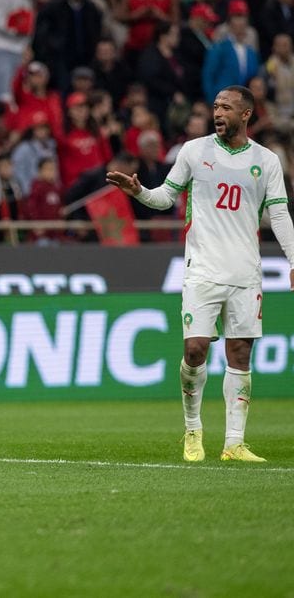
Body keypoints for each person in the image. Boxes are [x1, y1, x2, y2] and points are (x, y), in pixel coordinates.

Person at [107, 85, 294, 463]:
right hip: (202, 269)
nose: (218, 113)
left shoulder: (267, 160)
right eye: (215, 107)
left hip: (245, 271)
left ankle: (234, 443)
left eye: (226, 107)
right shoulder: (194, 152)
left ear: (246, 114)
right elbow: (164, 197)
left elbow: (278, 216)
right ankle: (193, 430)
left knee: (240, 353)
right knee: (195, 349)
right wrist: (140, 191)